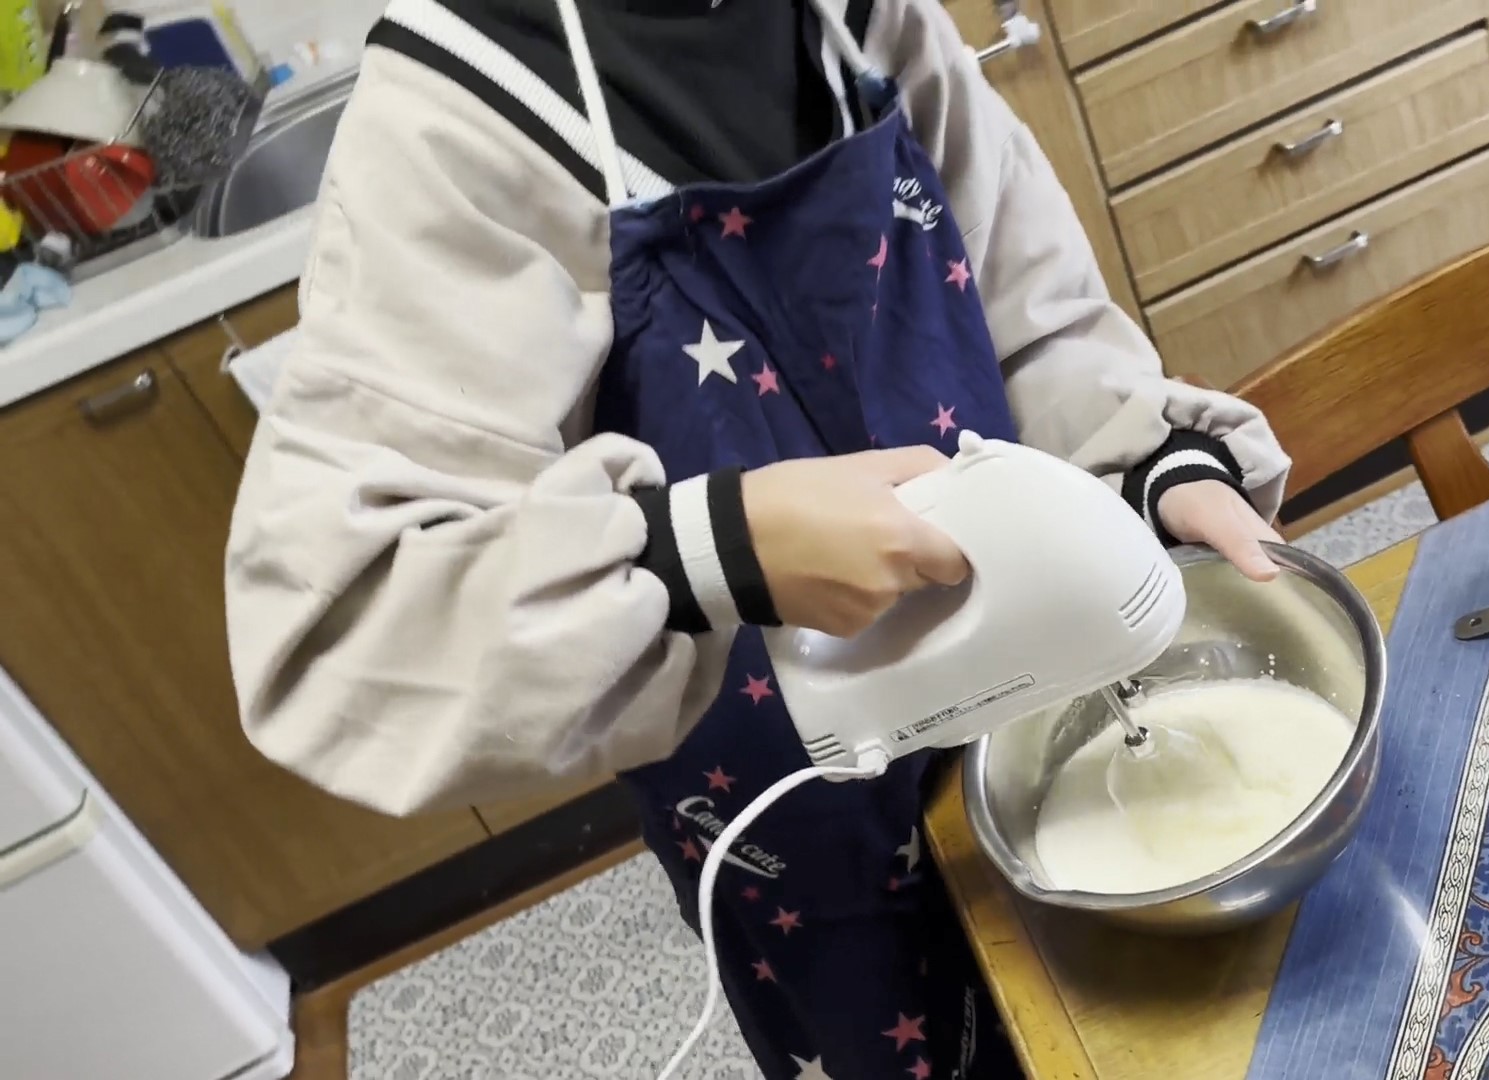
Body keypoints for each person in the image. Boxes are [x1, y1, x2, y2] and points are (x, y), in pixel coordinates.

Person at [224, 0, 1292, 1076]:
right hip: (793, 828)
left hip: (1037, 706)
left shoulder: (873, 24)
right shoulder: (457, 113)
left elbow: (1030, 312)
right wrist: (718, 549)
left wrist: (1153, 462)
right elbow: (346, 629)